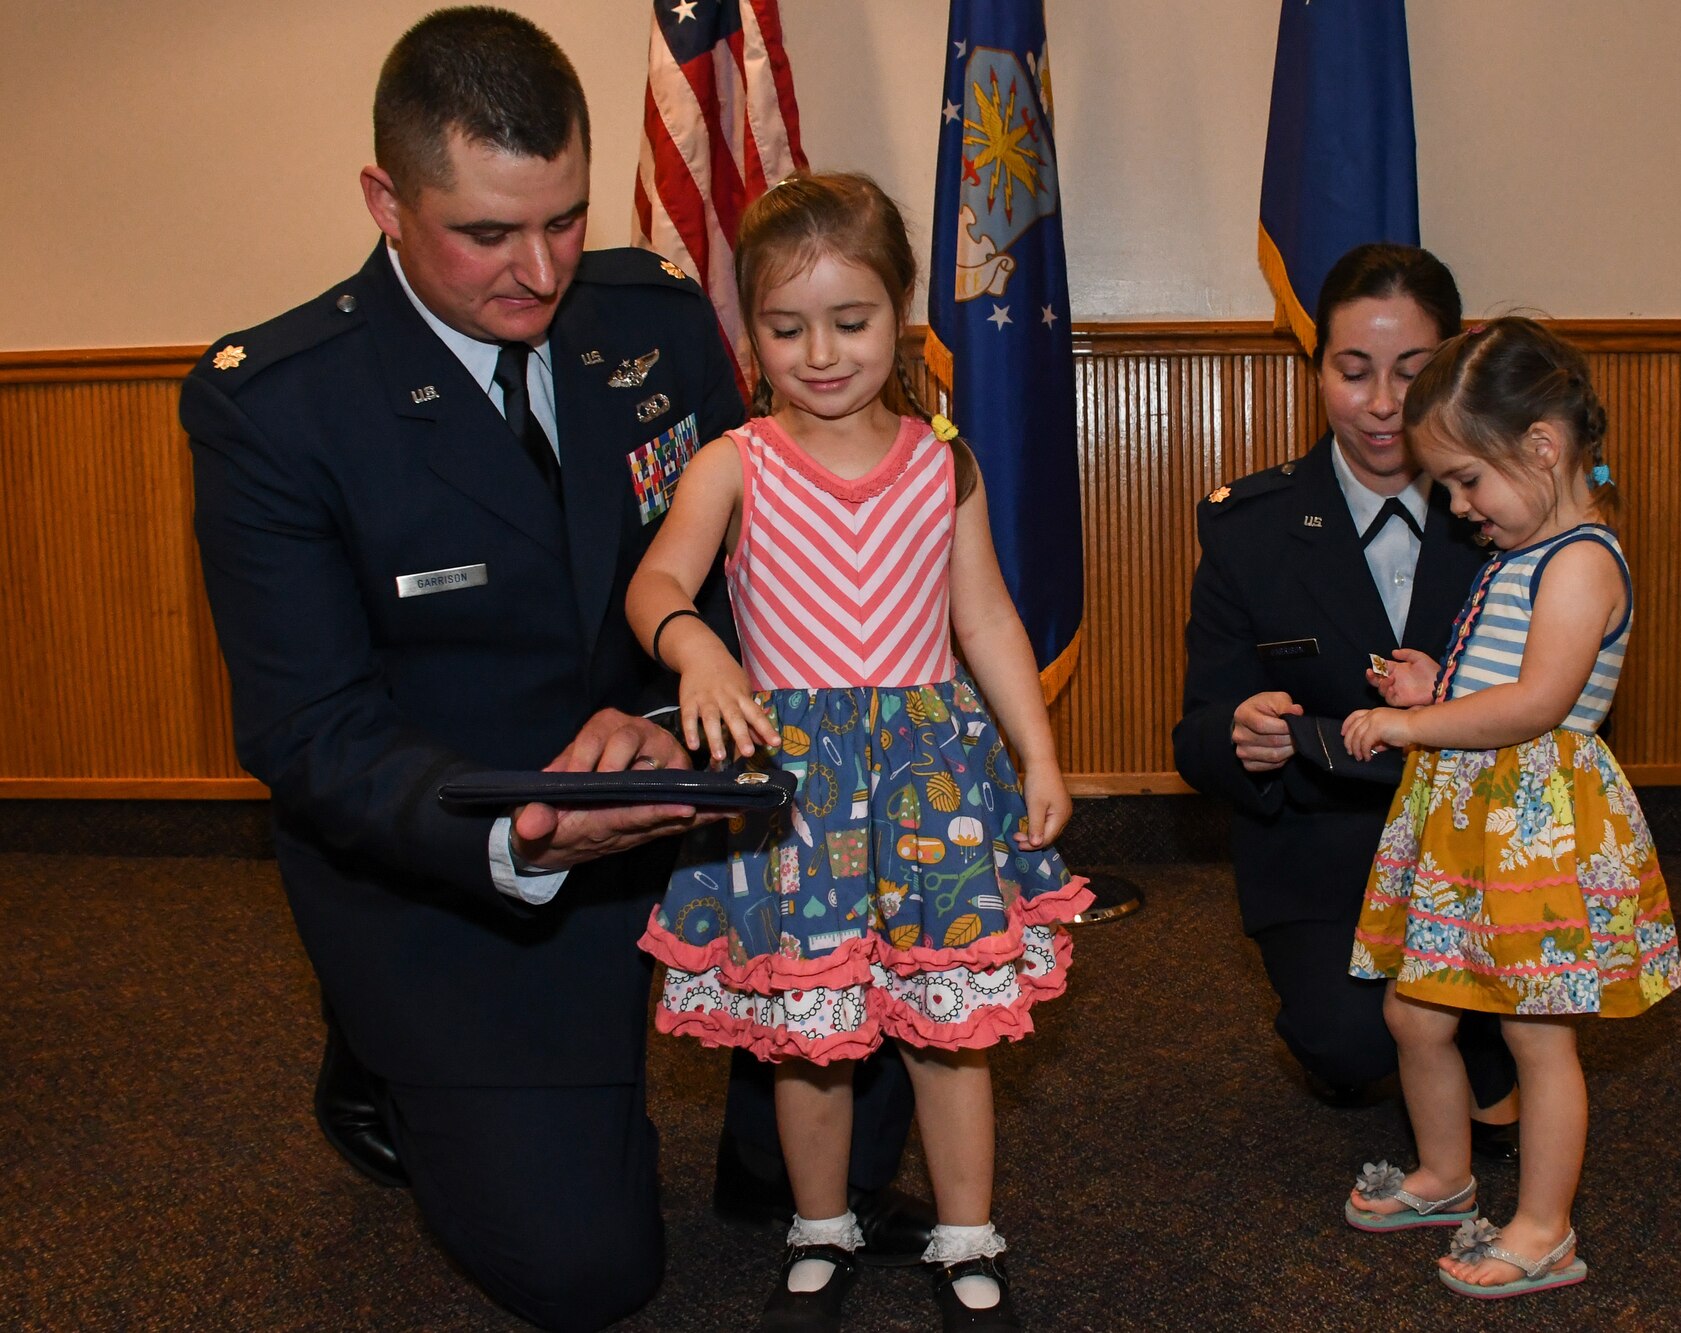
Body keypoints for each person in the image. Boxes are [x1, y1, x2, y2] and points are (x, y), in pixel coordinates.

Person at [180, 12, 920, 1330]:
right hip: (467, 861)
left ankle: (746, 1136)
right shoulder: (279, 405)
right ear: (385, 202)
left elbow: (740, 582)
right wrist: (517, 826)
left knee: (851, 1121)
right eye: (487, 233)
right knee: (587, 1275)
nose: (538, 269)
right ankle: (384, 1057)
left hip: (677, 798)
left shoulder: (646, 320)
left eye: (566, 219)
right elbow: (311, 731)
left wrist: (662, 716)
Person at [624, 171, 1091, 1333]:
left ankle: (966, 1230)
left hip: (932, 778)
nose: (820, 353)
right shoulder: (733, 462)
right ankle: (820, 1226)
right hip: (798, 792)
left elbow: (983, 619)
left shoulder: (945, 461)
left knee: (949, 1027)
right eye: (785, 328)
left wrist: (1038, 752)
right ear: (751, 331)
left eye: (851, 321)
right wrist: (697, 653)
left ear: (901, 313)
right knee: (809, 1038)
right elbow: (657, 583)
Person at [1340, 316, 1681, 1297]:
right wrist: (1430, 689)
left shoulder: (1580, 560)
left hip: (1531, 830)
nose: (1455, 507)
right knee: (1415, 1011)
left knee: (1539, 1035)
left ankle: (1543, 1227)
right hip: (1467, 822)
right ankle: (1447, 1175)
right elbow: (1494, 682)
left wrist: (1410, 727)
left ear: (1539, 446)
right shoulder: (1521, 551)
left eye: (1463, 480)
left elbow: (1537, 703)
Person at [1172, 244, 1520, 1156]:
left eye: (1414, 371)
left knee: (1516, 1016)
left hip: (1487, 849)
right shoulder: (1250, 529)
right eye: (1352, 370)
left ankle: (1476, 1027)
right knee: (1356, 1038)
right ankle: (1430, 1029)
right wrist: (1239, 736)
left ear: (1458, 361)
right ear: (1317, 366)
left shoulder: (1516, 515)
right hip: (1326, 851)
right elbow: (1197, 732)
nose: (1381, 404)